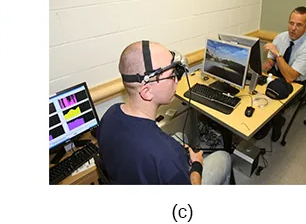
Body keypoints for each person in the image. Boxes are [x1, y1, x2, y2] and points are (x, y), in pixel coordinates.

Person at [98, 41, 231, 185]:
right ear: (147, 92)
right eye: (172, 75)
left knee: (181, 137)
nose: (177, 81)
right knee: (223, 157)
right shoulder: (168, 156)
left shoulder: (109, 114)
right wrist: (197, 165)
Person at [255, 6, 306, 142]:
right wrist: (270, 61)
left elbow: (290, 76)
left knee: (274, 96)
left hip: (296, 82)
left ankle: (276, 122)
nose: (293, 28)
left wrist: (277, 54)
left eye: (298, 25)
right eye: (291, 23)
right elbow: (272, 58)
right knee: (257, 90)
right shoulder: (281, 37)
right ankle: (264, 121)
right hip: (277, 73)